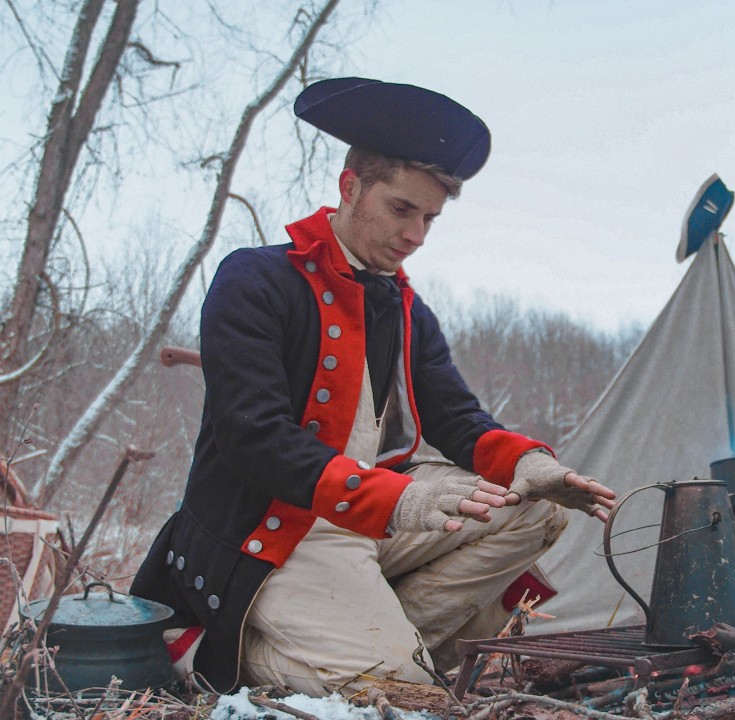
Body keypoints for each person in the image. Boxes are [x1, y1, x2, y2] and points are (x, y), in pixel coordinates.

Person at [130, 77, 616, 696]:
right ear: (350, 187)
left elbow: (457, 418)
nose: (415, 234)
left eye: (429, 219)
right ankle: (238, 646)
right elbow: (254, 439)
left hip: (368, 519)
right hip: (275, 533)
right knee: (400, 697)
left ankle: (383, 648)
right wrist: (398, 501)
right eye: (401, 210)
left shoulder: (407, 309)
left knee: (535, 509)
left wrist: (529, 463)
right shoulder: (252, 279)